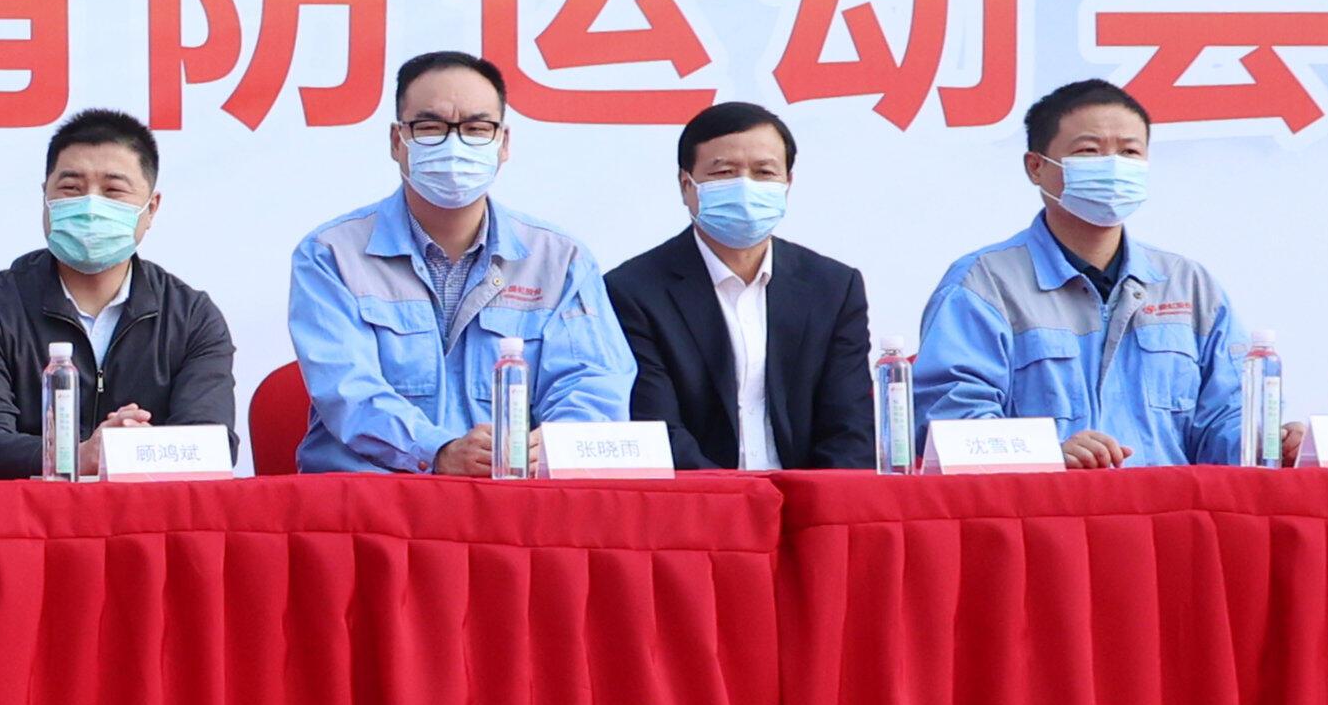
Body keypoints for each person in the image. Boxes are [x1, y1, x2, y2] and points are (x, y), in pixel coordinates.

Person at [282, 50, 637, 473]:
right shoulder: (331, 254)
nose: (455, 145)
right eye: (430, 128)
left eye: (476, 128)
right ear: (397, 141)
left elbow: (593, 383)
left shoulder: (560, 260)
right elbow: (347, 391)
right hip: (374, 496)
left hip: (514, 494)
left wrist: (551, 447)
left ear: (503, 143)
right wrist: (439, 450)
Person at [913, 78, 1256, 467]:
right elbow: (951, 423)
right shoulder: (983, 284)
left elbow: (1229, 419)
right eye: (1089, 152)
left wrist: (1275, 444)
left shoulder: (1188, 285)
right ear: (1036, 167)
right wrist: (1048, 456)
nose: (1113, 167)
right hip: (1045, 503)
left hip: (1167, 505)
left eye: (1129, 152)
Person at [0, 106, 239, 477]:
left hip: (150, 511)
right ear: (45, 198)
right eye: (71, 189)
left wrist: (127, 451)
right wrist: (78, 456)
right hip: (30, 512)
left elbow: (213, 444)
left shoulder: (191, 317)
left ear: (151, 208)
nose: (91, 206)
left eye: (113, 191)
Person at [611, 99, 880, 471]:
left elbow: (850, 428)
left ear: (787, 184)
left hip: (807, 499)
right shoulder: (633, 290)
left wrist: (812, 501)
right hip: (701, 499)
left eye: (764, 172)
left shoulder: (833, 287)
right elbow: (656, 431)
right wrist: (738, 501)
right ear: (687, 186)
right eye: (724, 172)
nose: (745, 187)